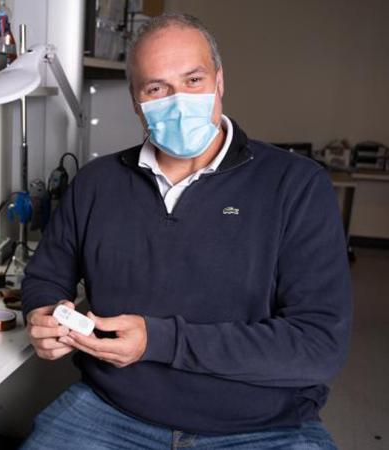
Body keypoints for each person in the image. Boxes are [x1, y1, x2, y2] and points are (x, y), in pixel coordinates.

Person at [20, 12, 352, 450]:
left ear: (219, 82)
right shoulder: (97, 183)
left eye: (193, 80)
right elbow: (45, 276)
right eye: (156, 88)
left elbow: (318, 347)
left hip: (262, 426)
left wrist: (159, 341)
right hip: (111, 410)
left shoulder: (296, 185)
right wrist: (43, 314)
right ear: (136, 102)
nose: (178, 100)